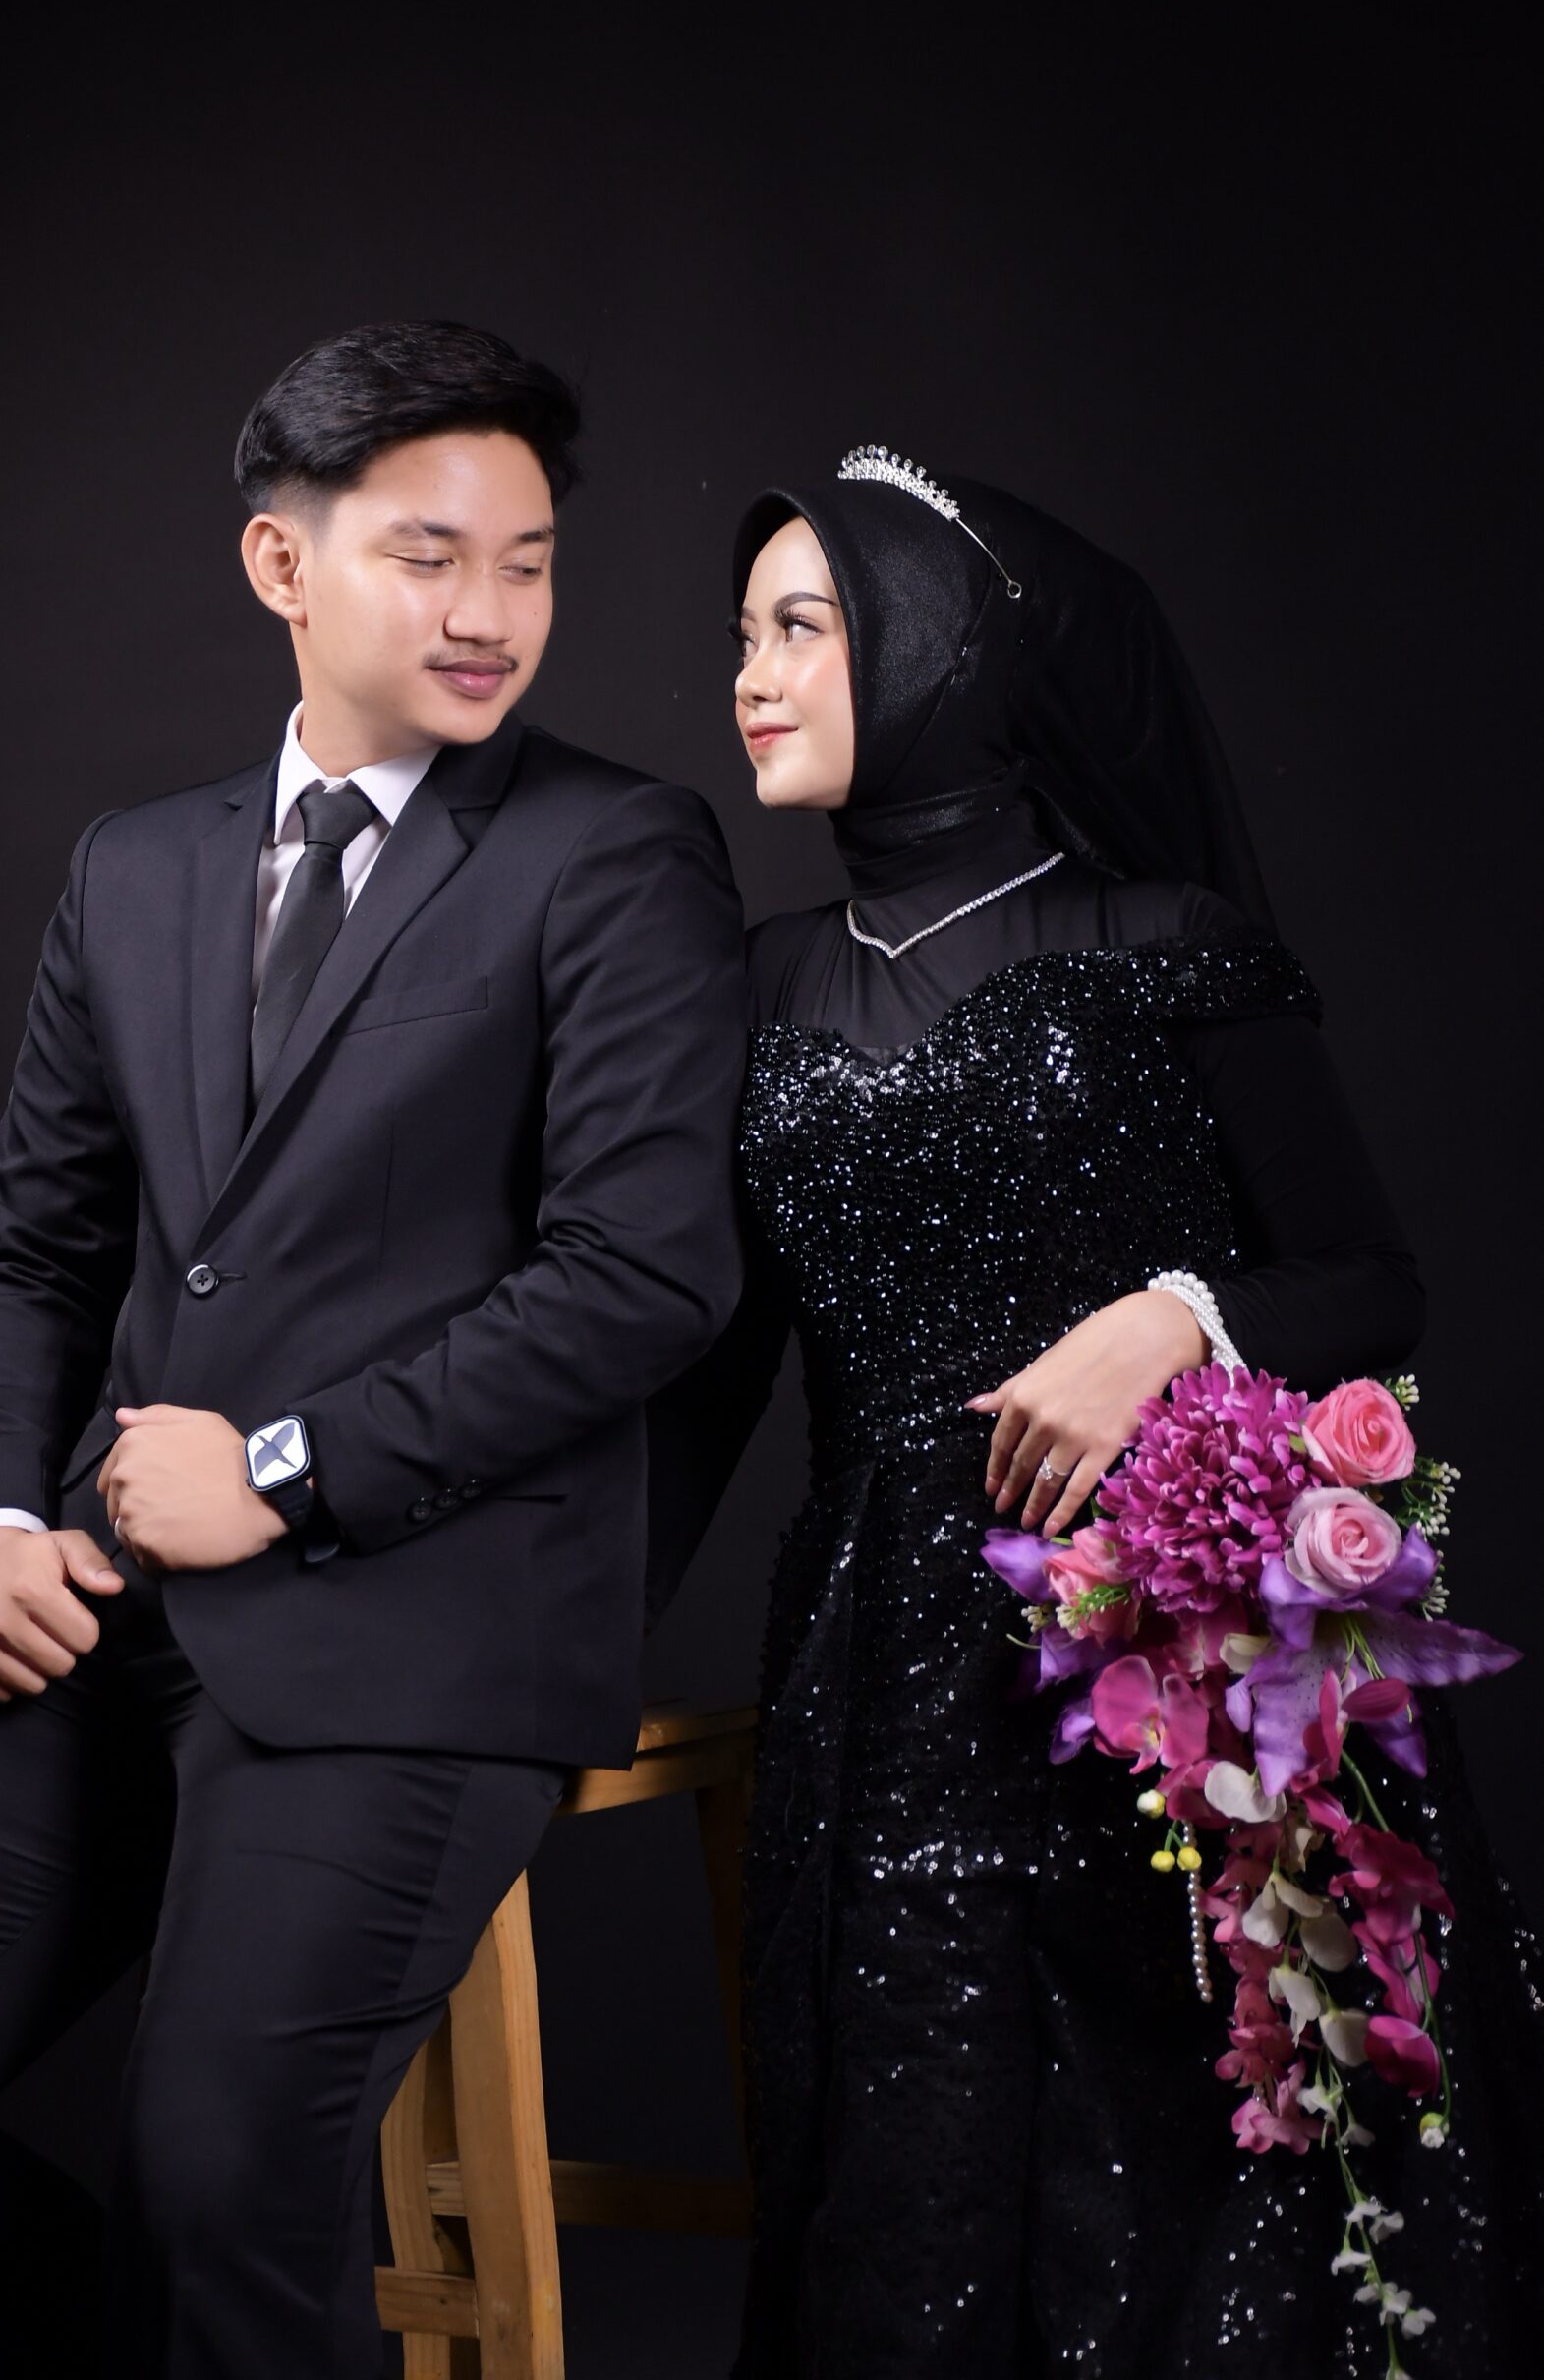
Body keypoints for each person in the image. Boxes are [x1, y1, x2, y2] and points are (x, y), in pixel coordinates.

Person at [0, 319, 747, 2379]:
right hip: (96, 1598)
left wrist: (279, 1469)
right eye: (428, 556)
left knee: (216, 2185)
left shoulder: (615, 852)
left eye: (527, 562)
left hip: (418, 1625)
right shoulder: (136, 866)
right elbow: (32, 1247)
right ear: (282, 561)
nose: (488, 612)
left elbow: (641, 1274)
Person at [650, 450, 1544, 2376]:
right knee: (911, 2185)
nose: (749, 675)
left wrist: (1172, 1318)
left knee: (1198, 2179)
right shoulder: (747, 991)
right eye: (740, 636)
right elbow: (697, 1386)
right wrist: (502, 1666)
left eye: (800, 627)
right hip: (883, 1693)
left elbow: (1370, 1283)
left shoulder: (1161, 938)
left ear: (938, 649)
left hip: (1175, 1658)